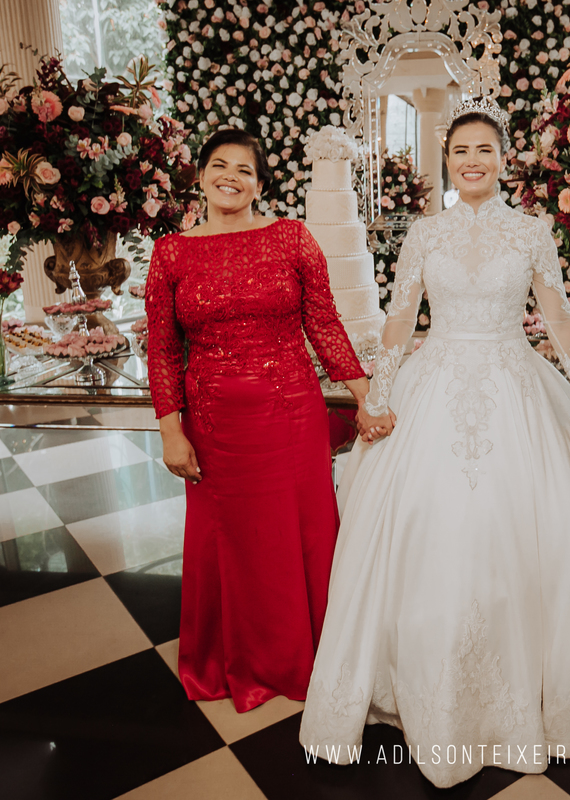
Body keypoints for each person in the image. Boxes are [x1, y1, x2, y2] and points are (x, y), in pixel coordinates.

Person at [298, 98, 570, 788]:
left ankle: (540, 700)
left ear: (503, 160)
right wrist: (381, 396)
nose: (473, 161)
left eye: (485, 149)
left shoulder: (533, 231)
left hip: (517, 382)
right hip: (436, 380)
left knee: (539, 534)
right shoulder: (423, 233)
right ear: (446, 161)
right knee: (426, 528)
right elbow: (397, 322)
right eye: (460, 151)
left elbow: (563, 320)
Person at [145, 128, 385, 712]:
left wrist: (365, 396)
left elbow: (324, 324)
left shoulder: (292, 238)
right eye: (219, 165)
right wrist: (170, 429)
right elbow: (160, 347)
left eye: (244, 170)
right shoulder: (171, 252)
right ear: (200, 175)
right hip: (211, 424)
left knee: (297, 535)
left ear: (260, 182)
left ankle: (310, 659)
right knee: (226, 543)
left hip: (289, 413)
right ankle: (231, 663)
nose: (230, 177)